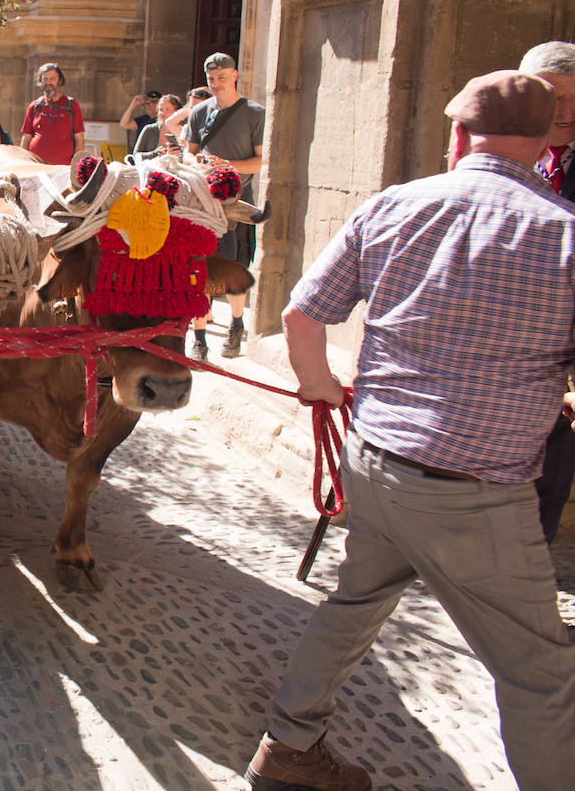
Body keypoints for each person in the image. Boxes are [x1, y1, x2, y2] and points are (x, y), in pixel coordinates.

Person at [244, 71, 575, 791]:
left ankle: (288, 746)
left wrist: (319, 386)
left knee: (353, 605)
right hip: (477, 493)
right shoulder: (564, 234)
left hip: (378, 462)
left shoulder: (395, 205)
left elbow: (302, 317)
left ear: (458, 134)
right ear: (549, 140)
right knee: (540, 676)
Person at [518, 40, 575, 544]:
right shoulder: (493, 149)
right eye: (556, 97)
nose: (568, 112)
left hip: (560, 368)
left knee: (547, 488)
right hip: (497, 367)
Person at [184, 52, 265, 359]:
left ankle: (236, 326)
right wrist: (200, 163)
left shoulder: (255, 113)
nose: (216, 83)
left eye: (221, 77)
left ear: (235, 76)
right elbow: (188, 154)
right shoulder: (200, 112)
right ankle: (200, 339)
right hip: (203, 203)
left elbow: (259, 162)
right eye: (210, 79)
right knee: (199, 270)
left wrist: (227, 164)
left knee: (233, 271)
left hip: (237, 204)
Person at [19, 62, 85, 165]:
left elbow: (79, 138)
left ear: (60, 81)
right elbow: (26, 137)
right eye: (45, 79)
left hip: (62, 170)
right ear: (40, 81)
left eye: (52, 79)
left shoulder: (72, 106)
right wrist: (22, 162)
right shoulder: (35, 106)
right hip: (36, 167)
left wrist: (76, 164)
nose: (48, 82)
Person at [132, 94, 184, 160]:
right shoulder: (149, 129)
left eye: (167, 109)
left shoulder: (184, 131)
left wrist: (173, 155)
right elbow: (135, 155)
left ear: (177, 112)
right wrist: (154, 154)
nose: (163, 113)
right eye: (160, 109)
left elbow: (190, 156)